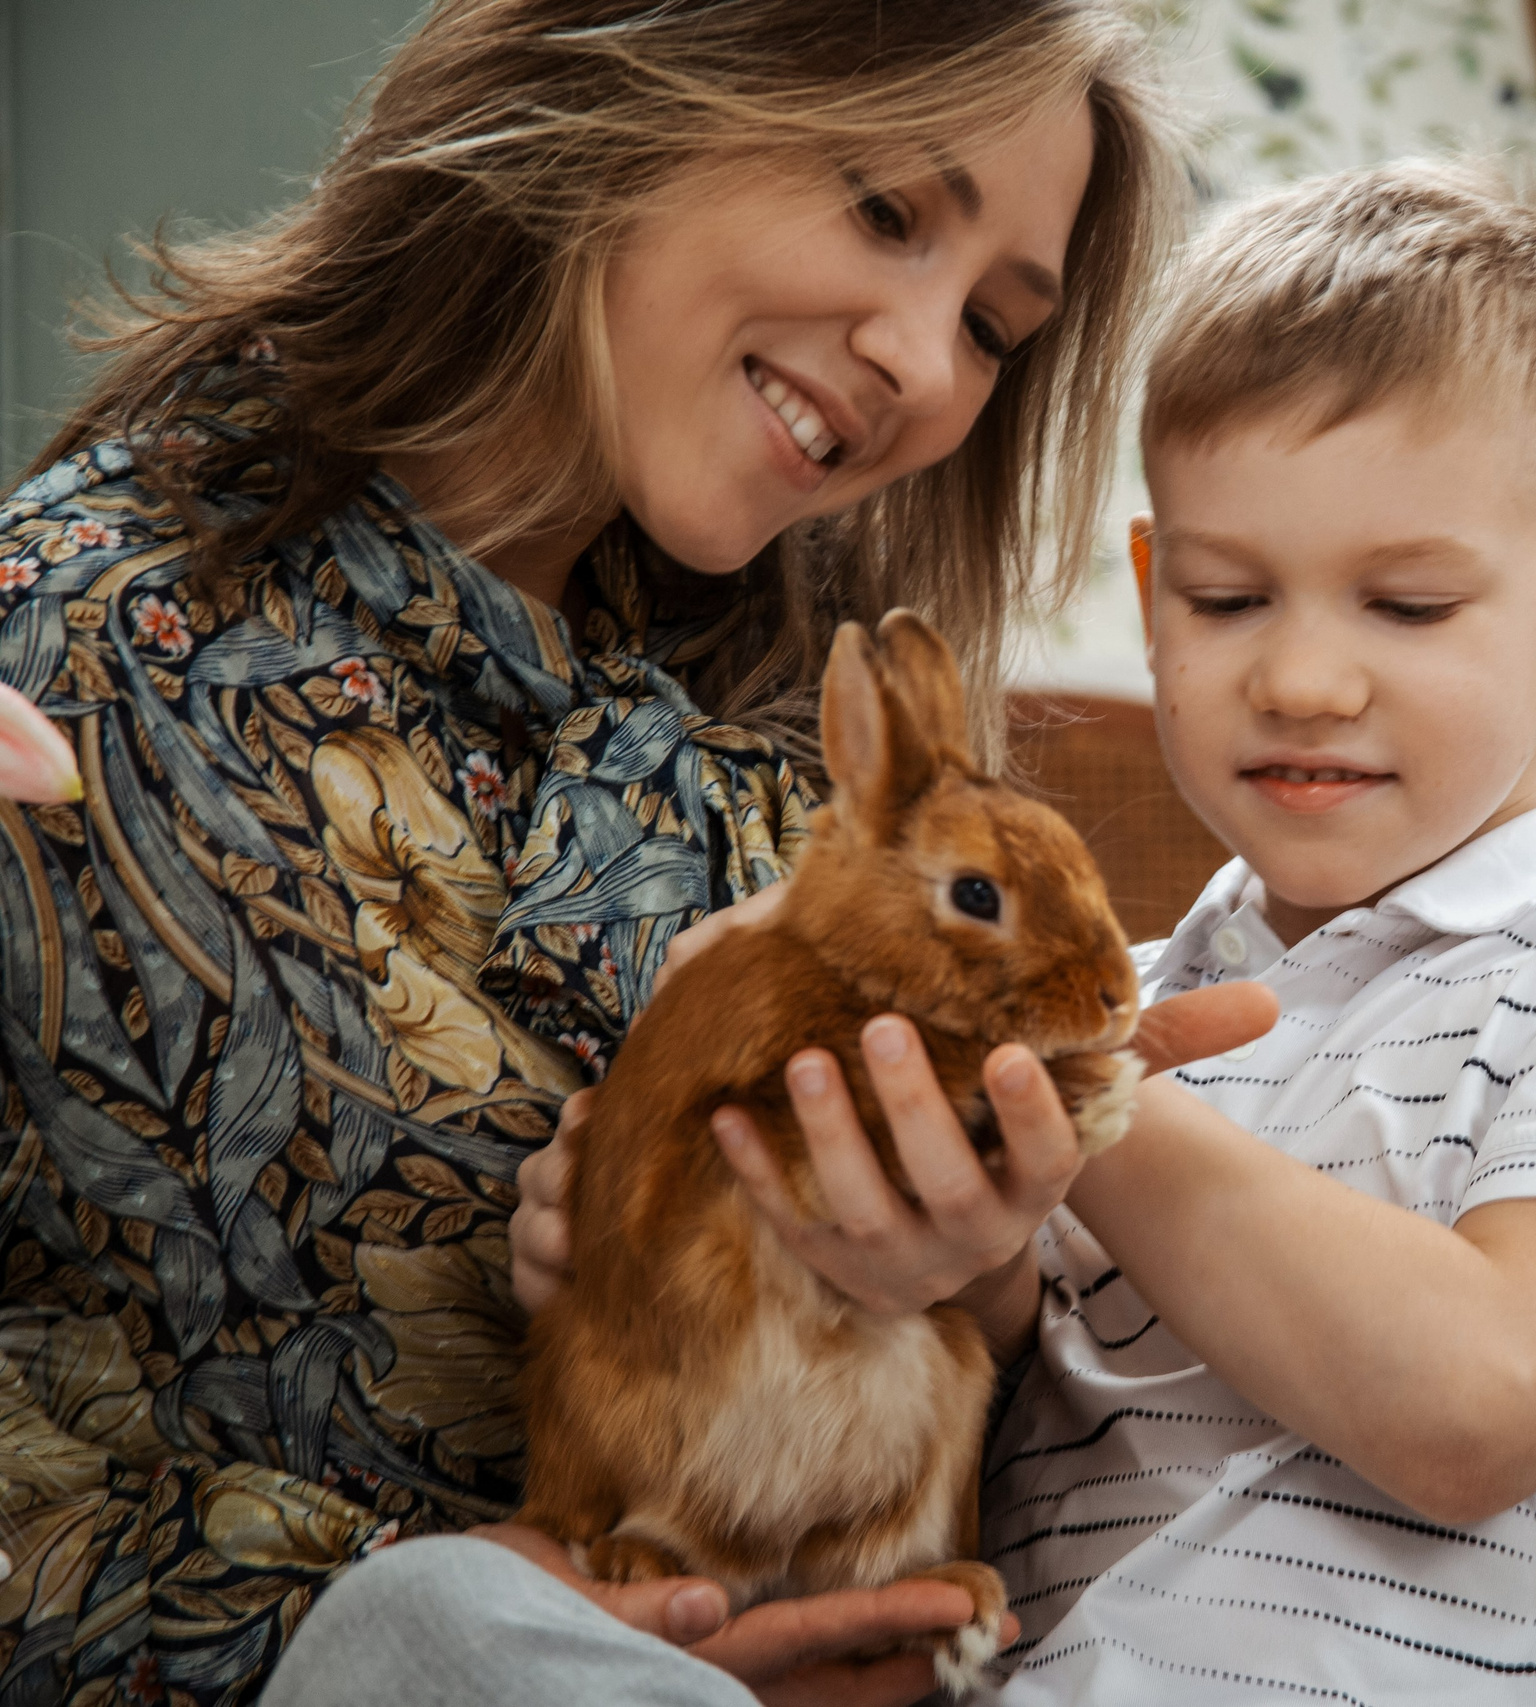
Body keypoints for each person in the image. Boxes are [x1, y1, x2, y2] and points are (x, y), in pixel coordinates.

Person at [404, 161, 1536, 1705]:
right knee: (427, 1624)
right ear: (1150, 599)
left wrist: (1073, 1085)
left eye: (1408, 604)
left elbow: (1477, 1406)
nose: (1304, 675)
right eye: (1227, 595)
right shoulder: (1148, 989)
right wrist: (759, 1206)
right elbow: (971, 1384)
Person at [0, 2, 1282, 1700]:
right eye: (889, 209)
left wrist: (959, 1270)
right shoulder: (67, 654)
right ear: (634, 91)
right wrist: (410, 1619)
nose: (919, 359)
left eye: (989, 324)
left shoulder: (791, 751)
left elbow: (975, 1415)